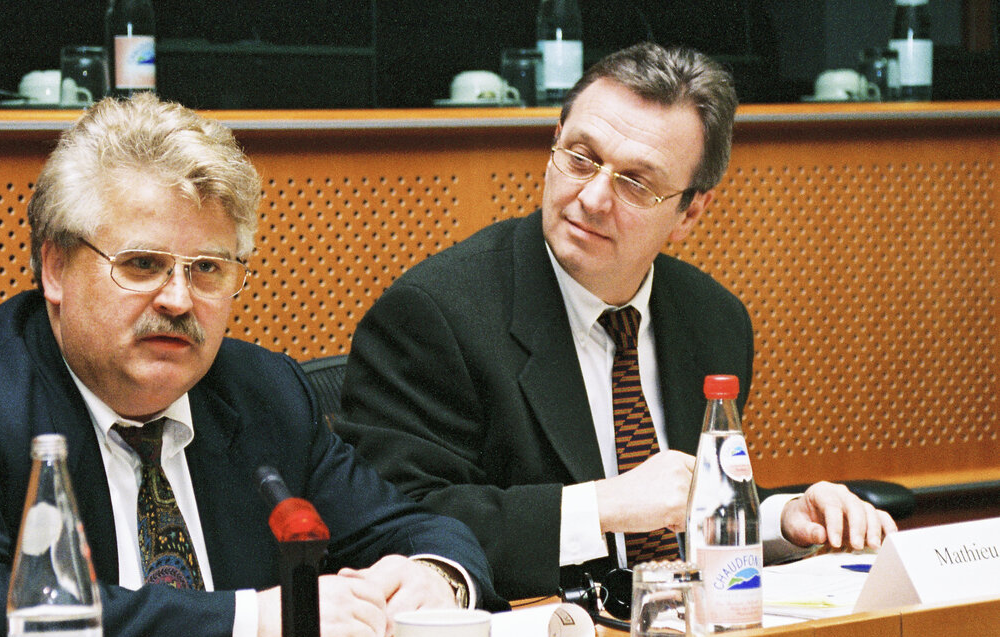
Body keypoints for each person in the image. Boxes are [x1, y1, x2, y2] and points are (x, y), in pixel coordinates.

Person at [0, 93, 504, 637]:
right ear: (55, 267)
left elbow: (420, 528)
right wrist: (247, 625)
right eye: (142, 264)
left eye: (208, 269)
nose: (179, 300)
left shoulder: (263, 394)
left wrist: (434, 578)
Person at [336, 42, 896, 601]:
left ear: (690, 211)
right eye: (580, 157)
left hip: (687, 636)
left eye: (635, 182)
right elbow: (398, 520)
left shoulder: (713, 319)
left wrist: (782, 518)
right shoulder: (437, 314)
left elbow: (684, 503)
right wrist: (606, 507)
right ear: (554, 140)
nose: (594, 197)